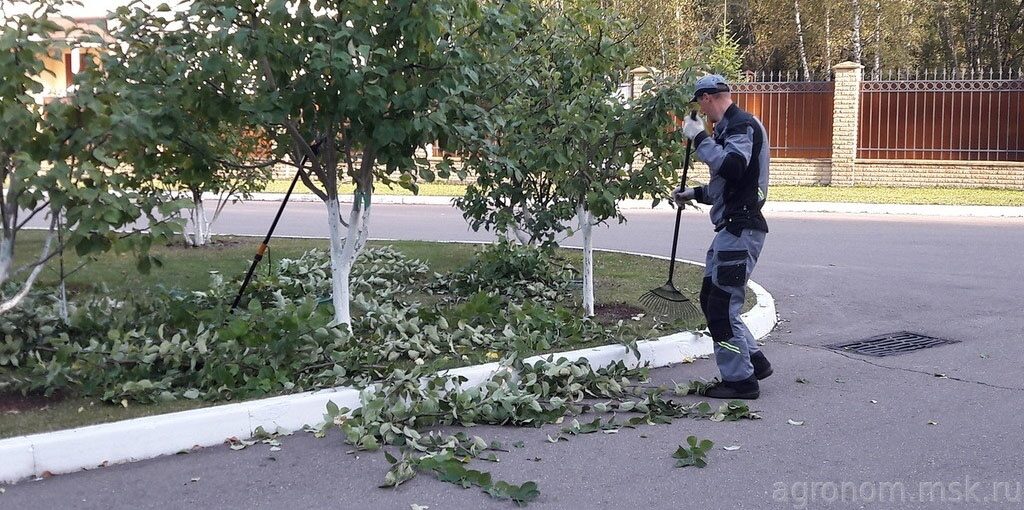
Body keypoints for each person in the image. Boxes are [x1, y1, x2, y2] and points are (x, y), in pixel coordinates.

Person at [674, 74, 772, 399]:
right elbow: (724, 186)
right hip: (731, 228)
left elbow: (734, 168)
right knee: (711, 297)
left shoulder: (741, 124)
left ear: (707, 98)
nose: (701, 111)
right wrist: (694, 193)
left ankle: (740, 381)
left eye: (699, 104)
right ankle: (754, 360)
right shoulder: (729, 128)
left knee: (721, 306)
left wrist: (700, 138)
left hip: (741, 228)